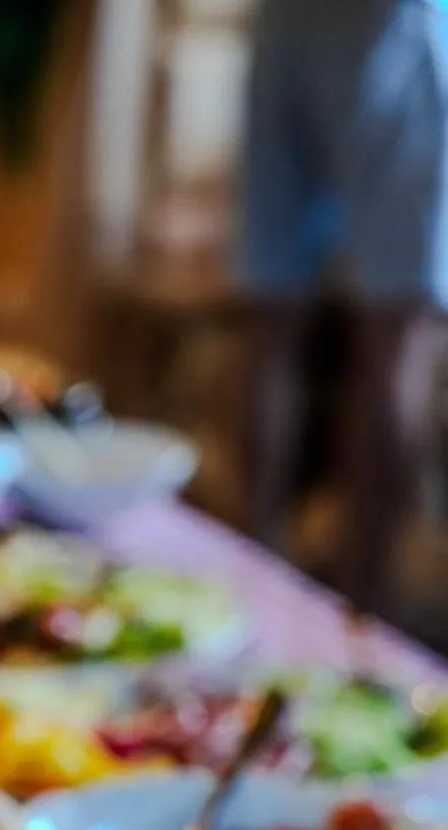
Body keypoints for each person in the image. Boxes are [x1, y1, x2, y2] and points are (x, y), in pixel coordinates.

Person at [239, 0, 448, 617]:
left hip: (284, 20)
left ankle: (257, 578)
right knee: (397, 338)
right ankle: (365, 614)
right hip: (386, 20)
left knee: (272, 325)